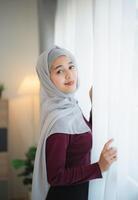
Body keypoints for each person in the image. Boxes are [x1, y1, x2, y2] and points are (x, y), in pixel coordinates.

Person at [32, 46, 117, 200]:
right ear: (47, 78)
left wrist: (94, 105)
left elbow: (81, 136)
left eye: (71, 67)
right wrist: (98, 167)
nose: (69, 74)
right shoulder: (59, 120)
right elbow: (56, 176)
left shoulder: (69, 106)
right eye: (59, 71)